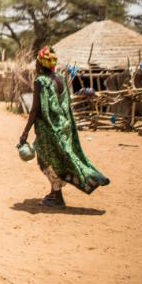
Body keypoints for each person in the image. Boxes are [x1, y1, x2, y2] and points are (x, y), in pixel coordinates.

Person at [19, 46, 110, 208]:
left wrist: (25, 133)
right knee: (61, 158)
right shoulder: (60, 78)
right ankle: (55, 193)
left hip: (48, 129)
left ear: (40, 65)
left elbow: (35, 109)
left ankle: (58, 197)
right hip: (63, 125)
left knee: (46, 160)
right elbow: (66, 104)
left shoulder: (41, 81)